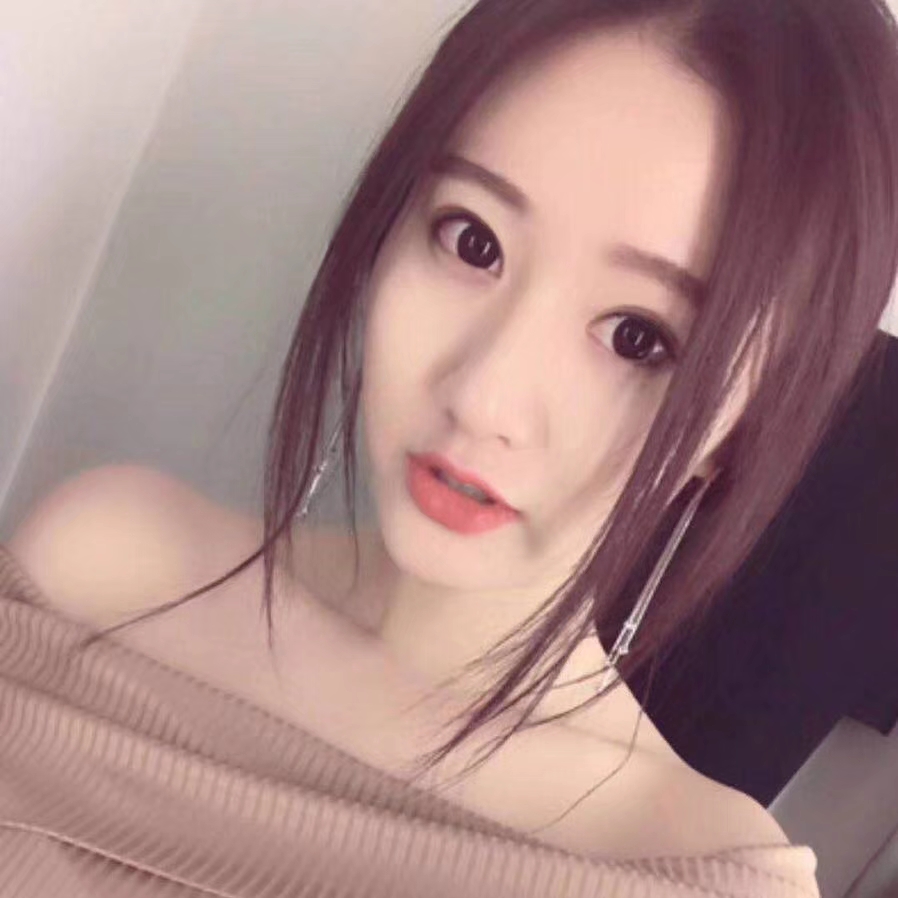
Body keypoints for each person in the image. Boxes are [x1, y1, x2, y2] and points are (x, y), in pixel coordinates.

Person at [3, 0, 897, 894]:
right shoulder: (100, 563)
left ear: (744, 428)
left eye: (639, 338)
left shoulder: (689, 872)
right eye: (473, 241)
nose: (482, 397)